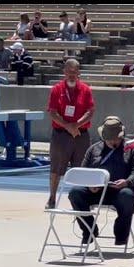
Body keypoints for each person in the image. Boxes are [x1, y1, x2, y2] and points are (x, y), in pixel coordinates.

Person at [69, 116, 134, 245]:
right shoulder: (94, 149)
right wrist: (89, 184)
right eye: (108, 139)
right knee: (75, 193)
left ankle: (121, 235)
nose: (112, 142)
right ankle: (89, 230)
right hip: (96, 190)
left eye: (115, 139)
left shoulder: (132, 148)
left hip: (121, 190)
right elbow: (84, 170)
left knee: (127, 196)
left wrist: (127, 182)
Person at [46, 59, 95, 209]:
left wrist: (76, 125)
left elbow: (90, 111)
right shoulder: (57, 89)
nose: (72, 75)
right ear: (64, 72)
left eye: (75, 72)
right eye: (69, 72)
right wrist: (68, 126)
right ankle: (52, 198)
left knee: (81, 168)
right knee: (56, 168)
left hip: (81, 134)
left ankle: (80, 199)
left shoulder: (86, 90)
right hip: (61, 135)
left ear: (78, 73)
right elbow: (52, 112)